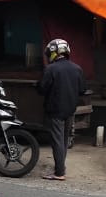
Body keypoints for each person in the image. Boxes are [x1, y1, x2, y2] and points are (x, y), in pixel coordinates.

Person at [35, 38, 85, 180]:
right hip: (70, 110)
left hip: (55, 110)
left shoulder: (50, 69)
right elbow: (82, 90)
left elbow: (42, 89)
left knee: (57, 141)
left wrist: (37, 86)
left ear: (53, 52)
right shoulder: (77, 69)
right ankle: (61, 167)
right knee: (63, 140)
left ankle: (59, 173)